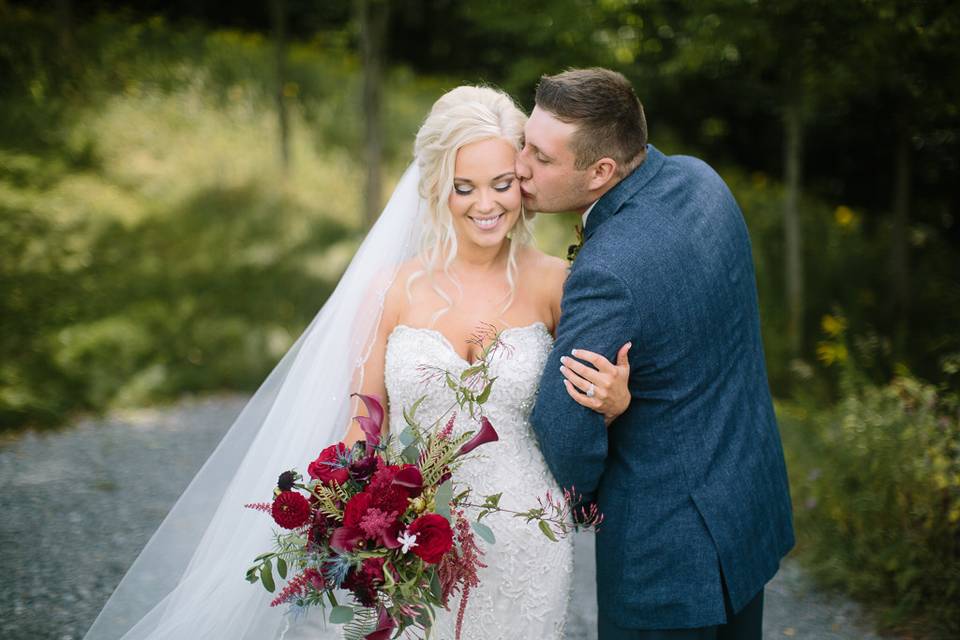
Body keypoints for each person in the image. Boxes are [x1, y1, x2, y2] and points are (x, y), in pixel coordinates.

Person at [84, 85, 631, 640]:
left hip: (526, 538)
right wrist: (352, 520)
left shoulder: (558, 284)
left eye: (502, 184)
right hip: (414, 544)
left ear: (522, 181)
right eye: (463, 187)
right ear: (437, 188)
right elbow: (362, 425)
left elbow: (578, 413)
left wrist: (615, 404)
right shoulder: (392, 290)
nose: (485, 205)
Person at [521, 68, 795, 640]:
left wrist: (589, 493)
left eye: (541, 158)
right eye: (525, 142)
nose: (520, 166)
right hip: (746, 509)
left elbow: (565, 426)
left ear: (600, 172)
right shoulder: (702, 181)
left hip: (666, 561)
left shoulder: (608, 271)